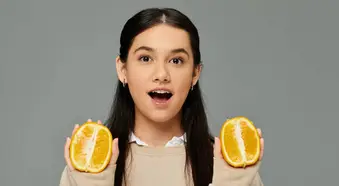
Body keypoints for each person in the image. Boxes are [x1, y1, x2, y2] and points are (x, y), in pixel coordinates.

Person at [59, 7, 264, 186]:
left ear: (195, 74)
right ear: (123, 70)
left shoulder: (231, 167)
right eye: (146, 58)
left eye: (176, 61)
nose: (161, 75)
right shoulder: (88, 166)